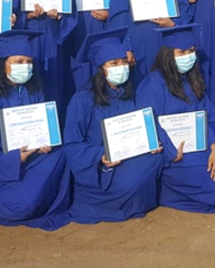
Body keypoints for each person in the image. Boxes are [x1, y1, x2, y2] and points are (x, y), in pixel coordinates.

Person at [135, 24, 215, 222]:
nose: (188, 56)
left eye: (191, 51)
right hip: (174, 154)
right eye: (181, 52)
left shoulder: (191, 80)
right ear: (168, 54)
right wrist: (173, 153)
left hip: (201, 143)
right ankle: (173, 191)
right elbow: (149, 124)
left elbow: (207, 115)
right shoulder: (152, 84)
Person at [0, 30, 71, 230]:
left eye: (29, 62)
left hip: (33, 160)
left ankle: (38, 199)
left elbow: (40, 127)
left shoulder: (33, 89)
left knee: (62, 156)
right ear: (1, 63)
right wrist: (13, 158)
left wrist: (43, 144)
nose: (25, 67)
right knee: (21, 206)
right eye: (18, 61)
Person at [64, 28, 162, 223]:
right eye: (114, 63)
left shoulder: (132, 94)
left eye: (124, 62)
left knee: (157, 159)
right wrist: (100, 156)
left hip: (132, 156)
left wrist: (152, 142)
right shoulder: (82, 100)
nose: (122, 67)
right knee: (132, 180)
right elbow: (72, 144)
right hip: (103, 165)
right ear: (101, 68)